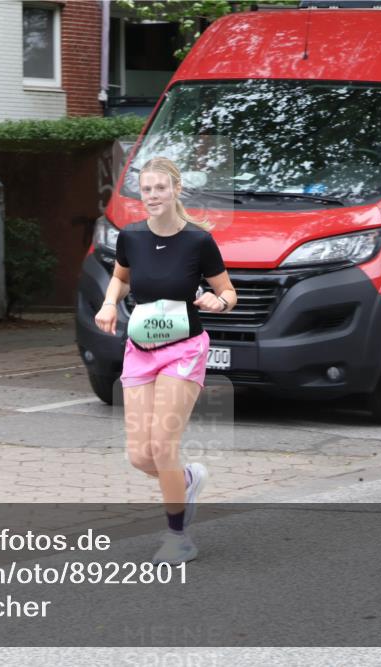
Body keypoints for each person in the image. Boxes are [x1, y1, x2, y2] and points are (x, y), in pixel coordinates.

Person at [94, 156, 237, 564]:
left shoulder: (198, 242)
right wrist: (108, 305)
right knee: (140, 455)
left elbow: (229, 291)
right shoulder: (132, 237)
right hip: (139, 349)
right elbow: (121, 278)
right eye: (147, 189)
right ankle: (187, 480)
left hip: (184, 349)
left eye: (160, 188)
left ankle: (179, 538)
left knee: (161, 446)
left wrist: (218, 301)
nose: (152, 196)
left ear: (175, 190)